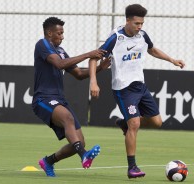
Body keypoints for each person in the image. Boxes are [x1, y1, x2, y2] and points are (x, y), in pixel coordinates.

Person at [89, 4, 185, 179]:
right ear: (127, 21)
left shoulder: (142, 35)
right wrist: (93, 82)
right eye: (136, 23)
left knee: (157, 122)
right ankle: (132, 167)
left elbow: (152, 49)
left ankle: (125, 124)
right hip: (123, 89)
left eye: (142, 23)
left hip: (140, 86)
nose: (140, 26)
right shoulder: (115, 38)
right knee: (135, 124)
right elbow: (94, 58)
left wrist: (172, 59)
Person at [32, 17, 110, 177]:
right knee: (67, 118)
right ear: (49, 33)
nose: (62, 36)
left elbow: (79, 74)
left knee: (78, 142)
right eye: (59, 33)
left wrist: (100, 68)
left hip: (59, 99)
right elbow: (60, 64)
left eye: (63, 33)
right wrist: (89, 54)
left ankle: (48, 161)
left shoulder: (61, 51)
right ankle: (84, 155)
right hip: (43, 99)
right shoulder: (42, 45)